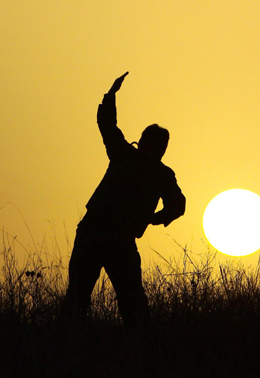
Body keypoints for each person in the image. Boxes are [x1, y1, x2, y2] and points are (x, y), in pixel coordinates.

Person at [61, 72, 186, 330]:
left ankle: (139, 351)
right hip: (95, 233)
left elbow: (178, 205)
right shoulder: (128, 156)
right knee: (79, 298)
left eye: (156, 147)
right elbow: (107, 124)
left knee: (131, 303)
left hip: (117, 239)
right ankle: (70, 346)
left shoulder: (157, 172)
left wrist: (155, 218)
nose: (152, 150)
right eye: (151, 145)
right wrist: (111, 95)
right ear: (145, 144)